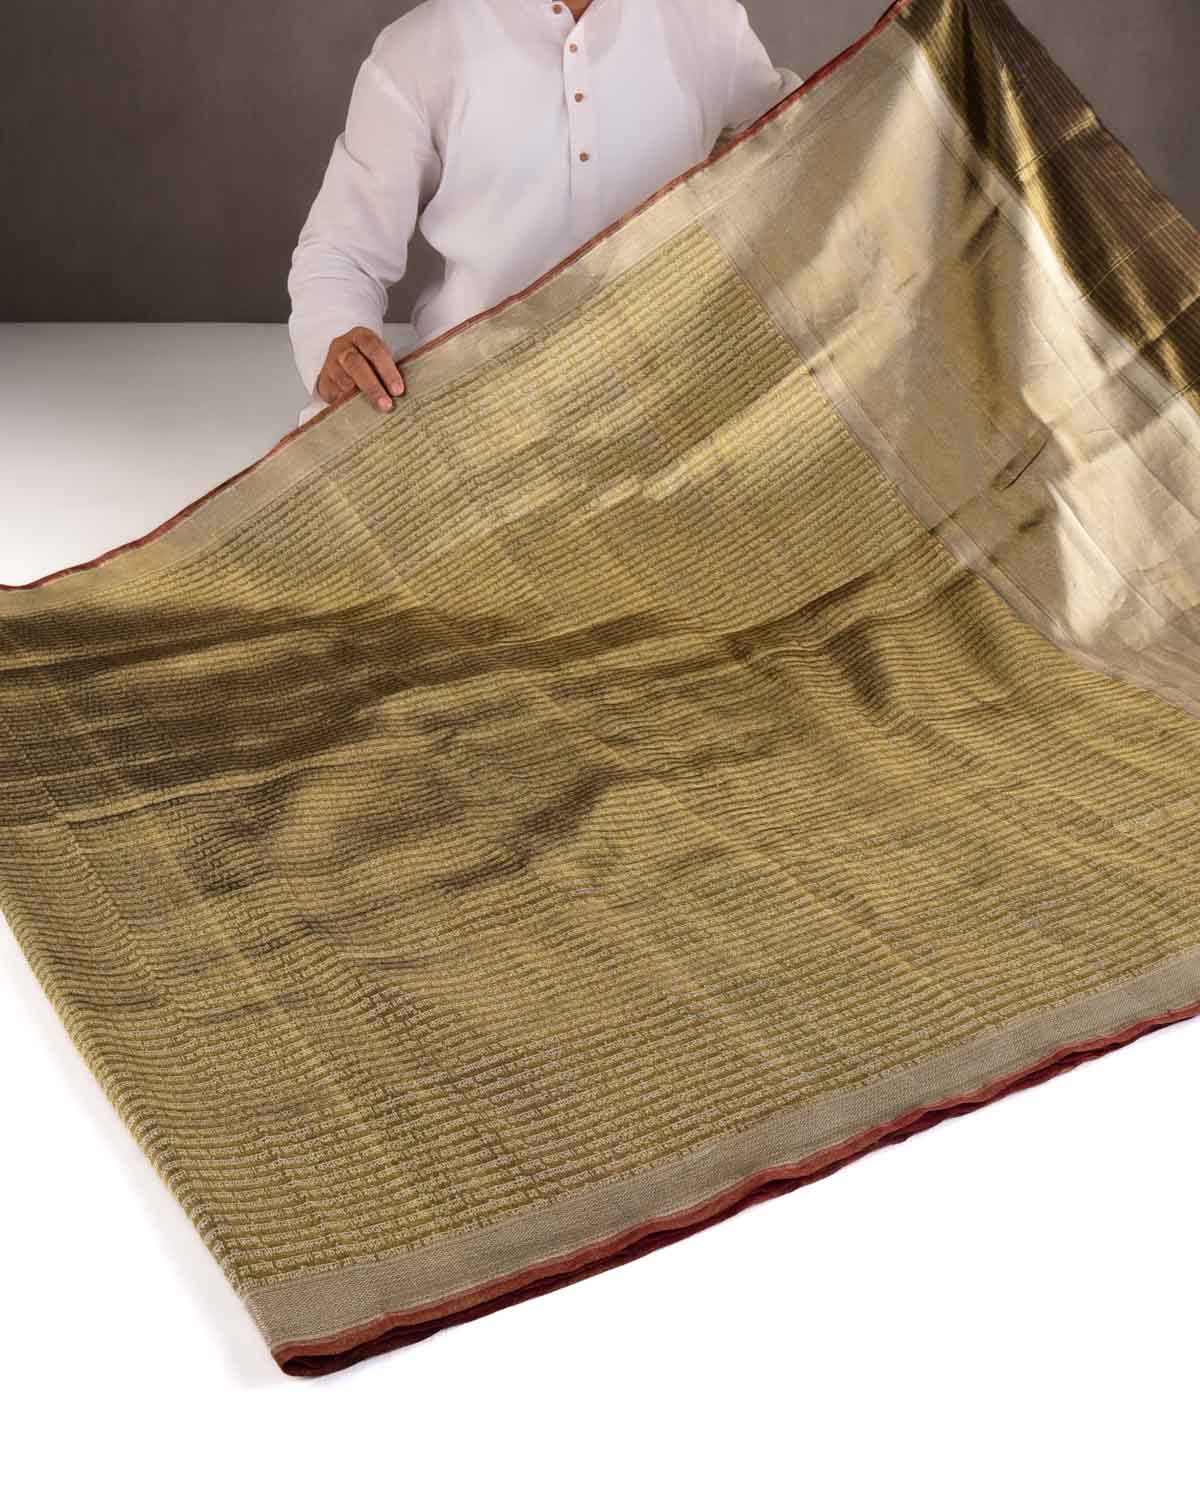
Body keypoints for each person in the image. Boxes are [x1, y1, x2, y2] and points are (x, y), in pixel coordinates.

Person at [287, 0, 803, 428]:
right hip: (478, 407)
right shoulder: (418, 50)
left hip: (685, 395)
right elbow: (343, 253)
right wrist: (340, 343)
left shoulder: (705, 19)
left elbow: (801, 151)